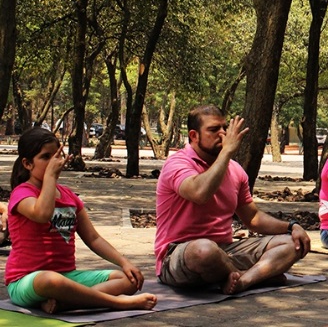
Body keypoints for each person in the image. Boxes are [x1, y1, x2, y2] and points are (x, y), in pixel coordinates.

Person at [155, 105, 310, 294]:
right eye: (213, 130)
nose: (223, 134)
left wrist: (291, 226)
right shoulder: (177, 163)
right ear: (194, 136)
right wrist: (227, 152)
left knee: (291, 244)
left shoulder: (235, 170)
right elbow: (199, 193)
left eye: (224, 128)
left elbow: (252, 218)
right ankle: (254, 275)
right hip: (181, 254)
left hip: (226, 251)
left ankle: (243, 281)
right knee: (205, 251)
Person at [4, 127, 157, 313]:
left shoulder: (69, 196)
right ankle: (119, 303)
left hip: (68, 277)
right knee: (51, 280)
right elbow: (42, 214)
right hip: (27, 280)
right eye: (46, 157)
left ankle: (64, 304)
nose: (54, 162)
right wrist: (50, 176)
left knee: (129, 280)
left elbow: (93, 238)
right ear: (28, 164)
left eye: (56, 155)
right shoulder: (22, 193)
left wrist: (124, 263)